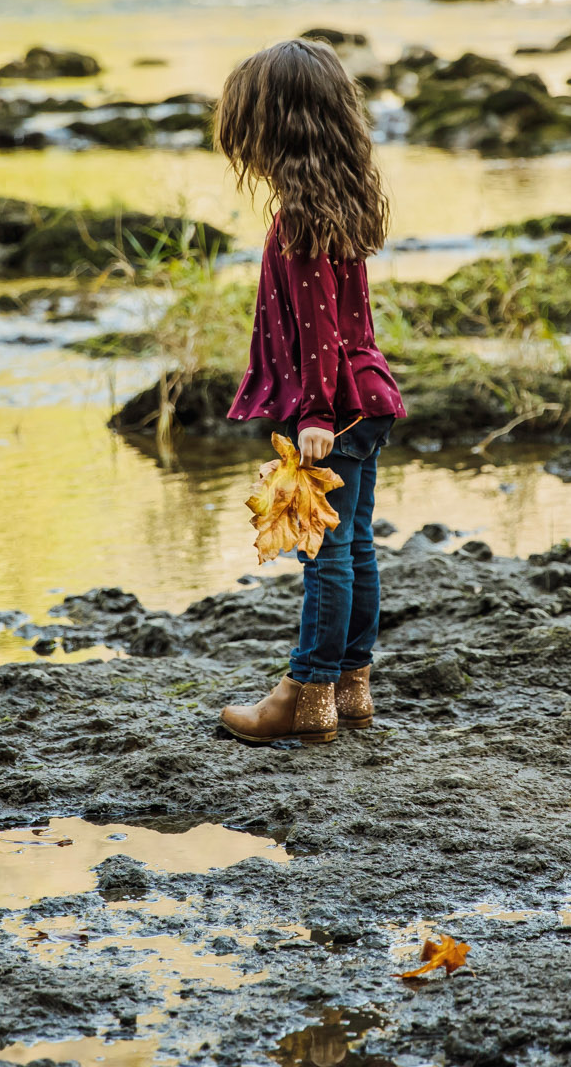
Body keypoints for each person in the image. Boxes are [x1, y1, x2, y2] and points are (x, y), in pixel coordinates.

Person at [212, 38, 405, 746]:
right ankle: (351, 686)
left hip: (334, 409)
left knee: (324, 553)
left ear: (278, 129)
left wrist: (316, 414)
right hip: (366, 399)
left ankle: (307, 692)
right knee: (353, 546)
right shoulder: (342, 200)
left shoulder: (300, 219)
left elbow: (322, 326)